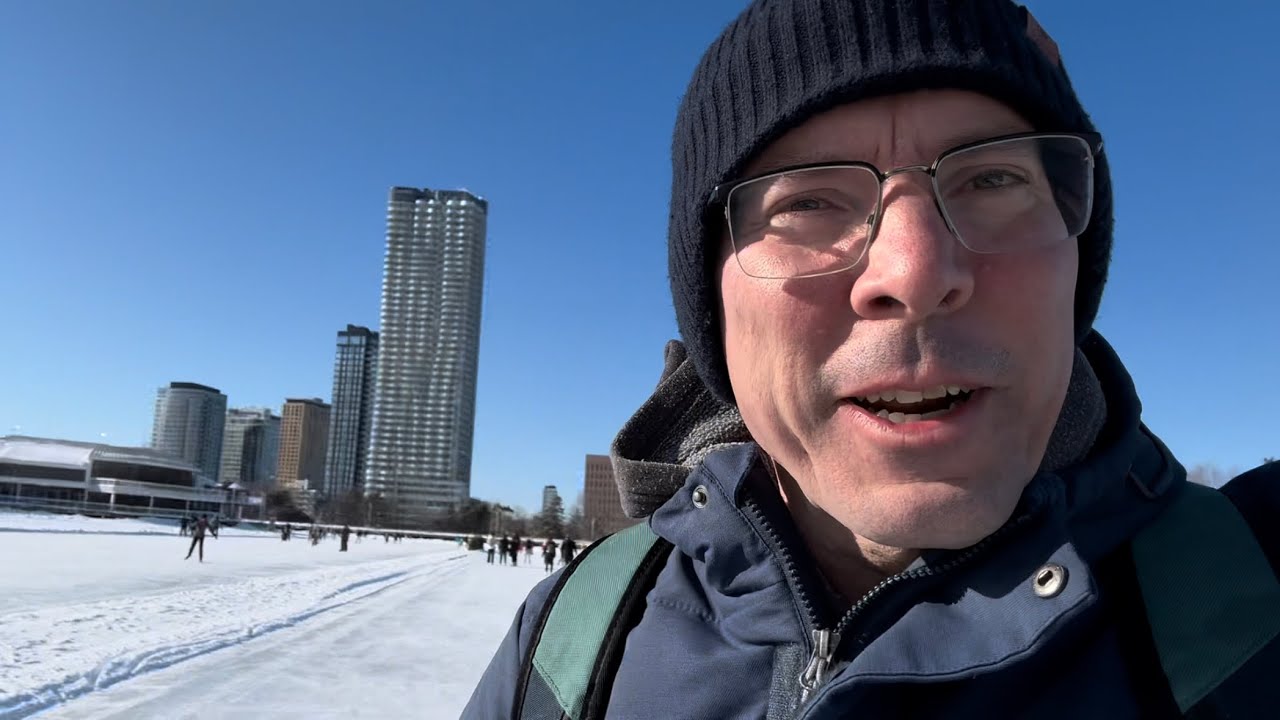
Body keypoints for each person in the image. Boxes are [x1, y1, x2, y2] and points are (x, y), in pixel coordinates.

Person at [464, 2, 1280, 718]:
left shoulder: (1253, 608)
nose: (915, 273)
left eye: (992, 178)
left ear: (1077, 265)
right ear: (710, 304)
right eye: (809, 201)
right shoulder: (576, 640)